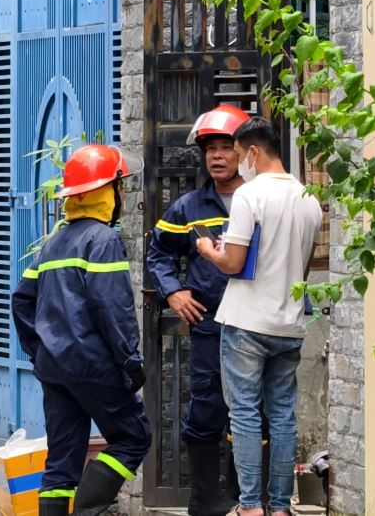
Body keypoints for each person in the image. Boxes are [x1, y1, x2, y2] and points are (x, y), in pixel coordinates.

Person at [12, 144, 151, 516]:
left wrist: (39, 350)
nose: (122, 194)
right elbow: (113, 308)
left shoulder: (53, 243)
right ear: (106, 192)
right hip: (93, 366)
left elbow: (21, 300)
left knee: (61, 463)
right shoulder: (103, 241)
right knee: (133, 437)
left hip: (54, 368)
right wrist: (130, 361)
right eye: (119, 186)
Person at [196, 117, 323, 516]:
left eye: (236, 154)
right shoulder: (309, 199)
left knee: (245, 415)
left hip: (247, 323)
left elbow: (233, 263)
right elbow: (299, 268)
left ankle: (250, 506)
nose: (236, 163)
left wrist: (206, 250)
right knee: (282, 416)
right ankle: (281, 508)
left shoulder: (250, 196)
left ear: (252, 152)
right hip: (289, 324)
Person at [147, 103, 250, 515]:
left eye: (226, 147)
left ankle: (249, 500)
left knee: (254, 413)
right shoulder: (189, 208)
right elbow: (159, 253)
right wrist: (173, 291)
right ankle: (206, 503)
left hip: (257, 328)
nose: (217, 156)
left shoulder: (260, 199)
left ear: (246, 152)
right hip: (210, 327)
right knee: (206, 410)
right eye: (210, 149)